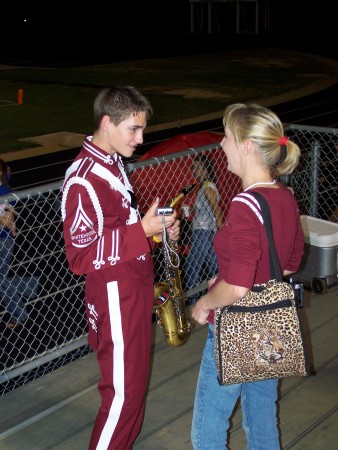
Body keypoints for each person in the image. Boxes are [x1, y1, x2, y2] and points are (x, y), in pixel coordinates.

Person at [61, 85, 180, 450]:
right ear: (107, 123)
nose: (141, 138)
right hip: (115, 293)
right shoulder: (84, 179)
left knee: (132, 392)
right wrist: (142, 229)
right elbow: (79, 258)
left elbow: (120, 229)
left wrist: (156, 233)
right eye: (134, 129)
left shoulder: (111, 163)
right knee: (122, 398)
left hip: (132, 287)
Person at [190, 103, 304, 450]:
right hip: (269, 325)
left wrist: (206, 301)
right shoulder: (284, 196)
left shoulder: (244, 205)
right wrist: (239, 279)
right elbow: (289, 263)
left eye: (226, 137)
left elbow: (238, 286)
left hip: (235, 326)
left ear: (247, 146)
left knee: (207, 432)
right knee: (262, 420)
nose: (221, 145)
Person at [0, 158, 39, 329]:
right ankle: (30, 285)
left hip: (3, 242)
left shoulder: (4, 192)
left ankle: (20, 314)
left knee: (1, 280)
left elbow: (9, 222)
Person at [183, 154, 224, 305]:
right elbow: (207, 208)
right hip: (203, 231)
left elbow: (216, 209)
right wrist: (192, 208)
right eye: (193, 167)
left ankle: (192, 299)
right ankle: (222, 290)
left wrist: (221, 231)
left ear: (206, 170)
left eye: (198, 167)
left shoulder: (207, 188)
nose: (194, 170)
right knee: (214, 265)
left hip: (204, 231)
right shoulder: (203, 187)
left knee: (192, 265)